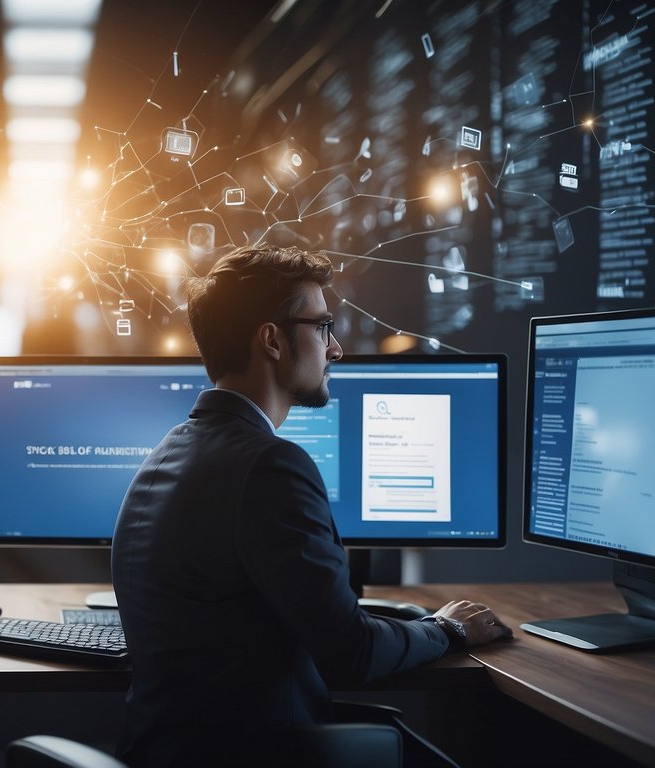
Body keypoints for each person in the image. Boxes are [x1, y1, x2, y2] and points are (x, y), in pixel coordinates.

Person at [110, 244, 512, 767]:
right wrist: (447, 629)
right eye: (322, 327)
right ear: (272, 340)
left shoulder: (168, 451)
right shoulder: (271, 466)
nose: (336, 349)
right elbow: (353, 654)